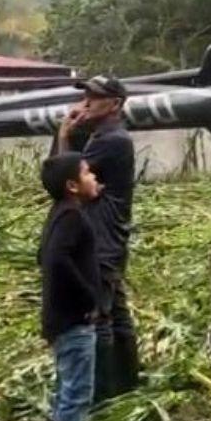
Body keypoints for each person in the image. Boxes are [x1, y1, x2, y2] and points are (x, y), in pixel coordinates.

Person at [54, 75, 139, 402]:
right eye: (85, 94)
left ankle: (103, 393)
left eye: (95, 96)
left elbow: (64, 179)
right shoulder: (103, 137)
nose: (86, 101)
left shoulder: (111, 140)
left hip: (101, 240)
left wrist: (64, 133)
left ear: (115, 104)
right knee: (114, 310)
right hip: (107, 237)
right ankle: (127, 382)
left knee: (98, 316)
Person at [33, 153, 113, 421]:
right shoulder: (73, 219)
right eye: (87, 173)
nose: (93, 176)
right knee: (76, 394)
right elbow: (54, 261)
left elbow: (42, 256)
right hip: (73, 320)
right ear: (72, 186)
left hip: (61, 318)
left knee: (70, 389)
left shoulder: (62, 214)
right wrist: (90, 300)